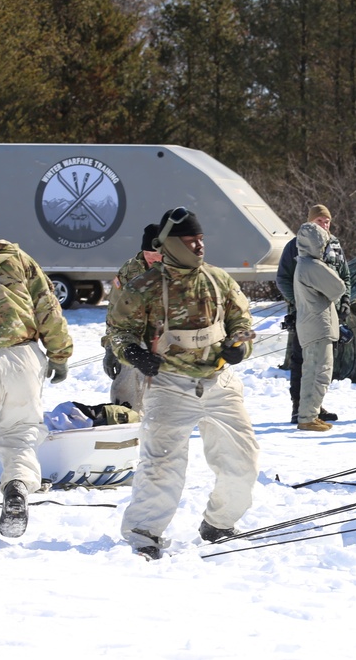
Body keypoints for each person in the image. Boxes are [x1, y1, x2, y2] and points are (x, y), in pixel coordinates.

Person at [106, 207, 259, 560]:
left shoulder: (220, 280)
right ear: (172, 244)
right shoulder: (143, 286)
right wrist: (133, 353)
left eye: (201, 239)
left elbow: (242, 321)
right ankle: (144, 533)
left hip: (219, 383)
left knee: (243, 462)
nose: (199, 245)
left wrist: (240, 344)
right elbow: (119, 330)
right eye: (191, 240)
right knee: (160, 465)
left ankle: (219, 522)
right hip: (170, 386)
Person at [0, 192, 73, 554]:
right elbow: (48, 307)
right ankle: (17, 485)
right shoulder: (16, 257)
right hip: (23, 358)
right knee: (21, 432)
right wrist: (59, 355)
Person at [275, 204, 350, 423]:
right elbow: (283, 279)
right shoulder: (295, 247)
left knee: (322, 364)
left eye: (327, 221)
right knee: (302, 361)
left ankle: (315, 406)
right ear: (310, 223)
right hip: (306, 312)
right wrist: (299, 301)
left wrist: (345, 302)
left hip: (329, 312)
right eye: (319, 221)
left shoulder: (334, 245)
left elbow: (345, 276)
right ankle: (299, 407)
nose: (324, 225)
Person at [293, 221, 347, 431]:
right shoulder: (312, 266)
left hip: (313, 326)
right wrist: (329, 267)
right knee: (319, 372)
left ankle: (310, 414)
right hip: (318, 327)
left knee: (313, 371)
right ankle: (307, 417)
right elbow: (337, 287)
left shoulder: (303, 264)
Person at [101, 223, 162, 412]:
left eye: (156, 255)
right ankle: (125, 422)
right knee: (125, 384)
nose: (151, 260)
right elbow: (114, 310)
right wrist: (110, 347)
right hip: (133, 338)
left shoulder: (177, 268)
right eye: (147, 254)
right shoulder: (130, 270)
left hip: (167, 340)